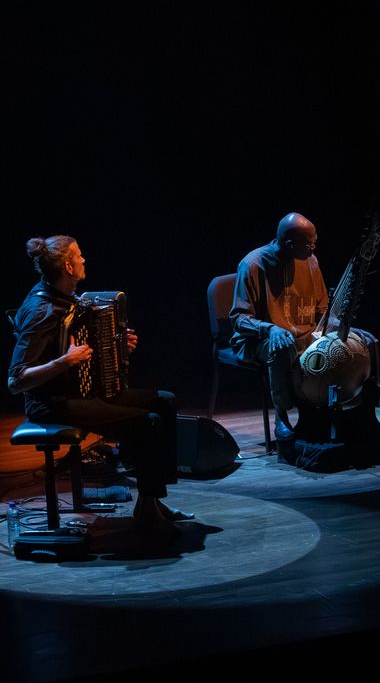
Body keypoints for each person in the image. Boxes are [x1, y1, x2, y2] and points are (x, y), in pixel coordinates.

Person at [7, 235, 186, 531]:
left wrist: (118, 346)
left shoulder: (65, 300)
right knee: (146, 422)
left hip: (81, 393)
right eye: (79, 256)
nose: (84, 260)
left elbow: (83, 348)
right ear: (68, 265)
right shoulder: (42, 311)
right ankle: (148, 511)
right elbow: (15, 380)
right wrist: (63, 362)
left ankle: (151, 500)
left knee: (164, 401)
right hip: (53, 405)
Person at [230, 212, 329, 438]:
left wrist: (335, 327)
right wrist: (271, 328)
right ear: (289, 243)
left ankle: (319, 413)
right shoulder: (253, 265)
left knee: (343, 344)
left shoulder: (311, 262)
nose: (313, 249)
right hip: (257, 340)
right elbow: (238, 318)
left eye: (315, 242)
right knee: (281, 348)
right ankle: (281, 419)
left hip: (303, 336)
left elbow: (323, 307)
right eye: (309, 244)